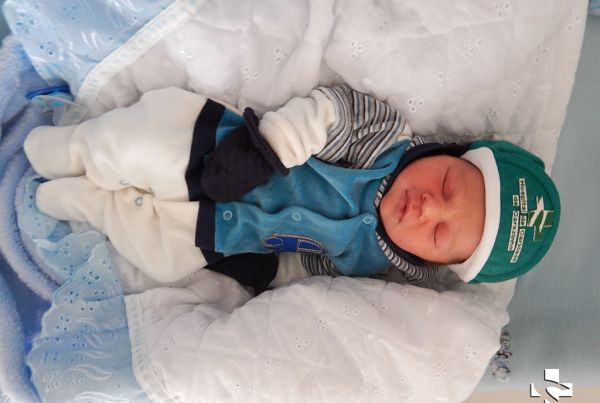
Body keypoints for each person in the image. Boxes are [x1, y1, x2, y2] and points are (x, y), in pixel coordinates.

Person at [23, 85, 560, 286]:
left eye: (438, 234)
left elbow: (312, 265)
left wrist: (268, 270)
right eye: (443, 184)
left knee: (160, 256)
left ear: (432, 261)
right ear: (449, 153)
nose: (425, 208)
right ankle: (73, 150)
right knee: (142, 144)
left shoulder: (373, 261)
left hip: (225, 232)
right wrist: (269, 150)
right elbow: (330, 110)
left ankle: (89, 204)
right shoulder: (384, 141)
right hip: (217, 152)